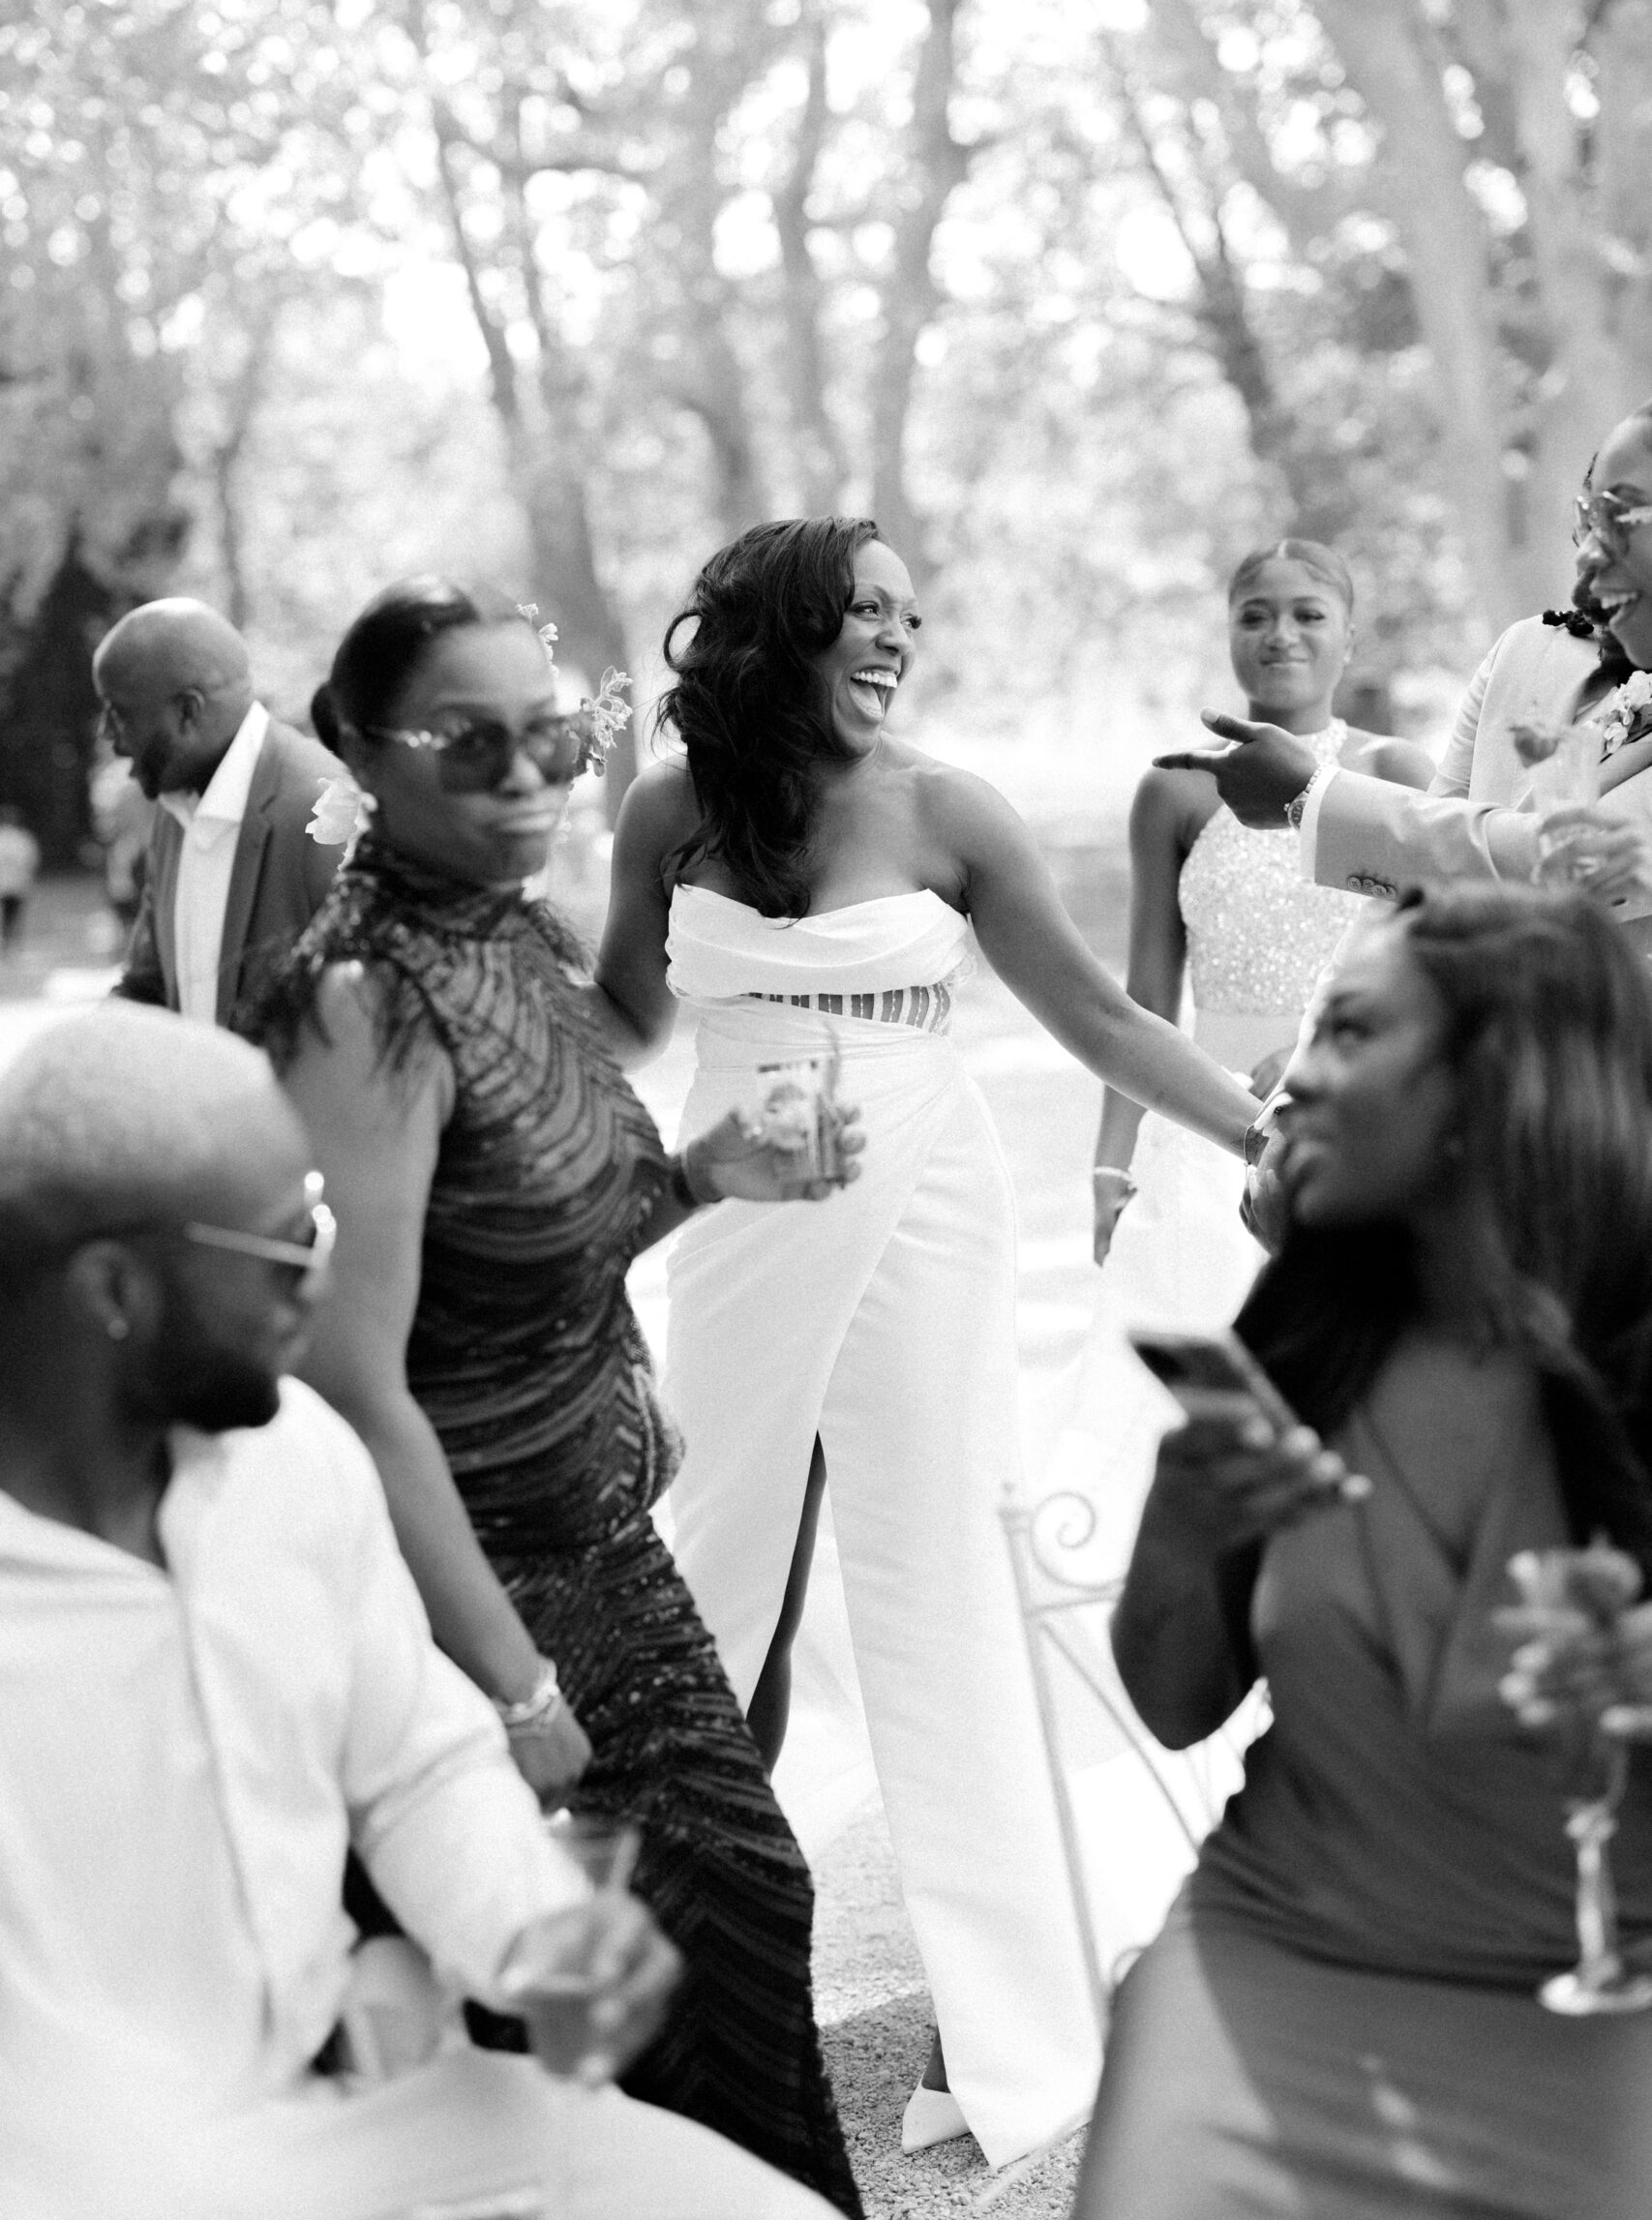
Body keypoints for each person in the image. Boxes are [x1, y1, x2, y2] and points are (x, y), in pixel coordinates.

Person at [592, 515, 1260, 2168]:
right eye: (863, 612)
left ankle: (1011, 2012)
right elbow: (613, 1022)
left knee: (943, 1574)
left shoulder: (949, 809)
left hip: (925, 1203)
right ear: (780, 630)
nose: (897, 639)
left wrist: (1267, 1137)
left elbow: (1101, 1020)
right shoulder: (668, 808)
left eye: (909, 614)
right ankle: (666, 1980)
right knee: (707, 1566)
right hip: (743, 1197)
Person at [0, 1004, 840, 2220]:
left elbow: (416, 1768)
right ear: (115, 1288)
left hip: (353, 2123)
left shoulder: (295, 1462)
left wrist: (540, 1934)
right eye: (288, 1248)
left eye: (326, 1221)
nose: (326, 1283)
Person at [254, 576, 864, 2216]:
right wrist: (513, 1693)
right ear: (365, 756)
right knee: (566, 2013)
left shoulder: (516, 934)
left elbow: (536, 1229)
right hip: (480, 1592)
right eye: (470, 742)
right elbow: (350, 1373)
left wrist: (706, 1173)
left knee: (736, 1904)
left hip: (613, 1562)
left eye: (547, 736)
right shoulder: (362, 1001)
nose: (525, 776)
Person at [1072, 885, 1652, 2220]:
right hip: (1275, 1957)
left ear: (1481, 1089)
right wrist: (1184, 1515)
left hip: (1597, 2011)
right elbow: (1171, 1706)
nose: (1287, 1075)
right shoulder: (1305, 1332)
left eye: (1343, 1033)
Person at [1156, 411, 1652, 949]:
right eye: (1587, 516)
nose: (1587, 557)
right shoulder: (1525, 650)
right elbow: (1425, 880)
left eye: (1619, 518)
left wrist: (1311, 794)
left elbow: (1557, 867)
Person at [1088, 540, 1430, 1310]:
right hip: (1200, 1124)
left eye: (1308, 614)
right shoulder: (1173, 787)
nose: (1280, 635)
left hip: (1348, 1111)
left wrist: (1317, 1052)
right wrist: (1112, 1161)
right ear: (1229, 634)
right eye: (1255, 616)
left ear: (1349, 639)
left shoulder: (1394, 774)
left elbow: (1432, 956)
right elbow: (1142, 998)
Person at [93, 596, 343, 1025]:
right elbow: (146, 988)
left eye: (119, 714)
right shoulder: (174, 810)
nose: (107, 734)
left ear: (188, 711)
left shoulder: (326, 811)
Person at [0, 803, 40, 954]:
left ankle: (9, 944)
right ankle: (10, 944)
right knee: (13, 916)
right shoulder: (22, 838)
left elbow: (30, 860)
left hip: (10, 883)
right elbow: (31, 860)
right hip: (14, 883)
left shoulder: (21, 837)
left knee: (10, 915)